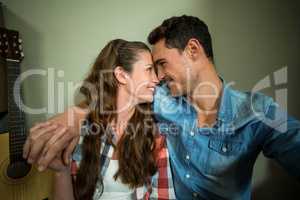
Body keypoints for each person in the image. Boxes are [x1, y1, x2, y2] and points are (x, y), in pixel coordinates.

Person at [24, 15, 300, 199]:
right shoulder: (163, 100)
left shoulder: (255, 112)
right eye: (153, 68)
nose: (158, 76)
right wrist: (76, 114)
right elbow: (118, 100)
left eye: (162, 64)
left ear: (193, 50)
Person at [24, 39, 176, 199]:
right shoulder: (80, 132)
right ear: (122, 75)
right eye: (149, 69)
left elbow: (164, 194)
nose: (157, 79)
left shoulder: (154, 132)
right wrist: (62, 171)